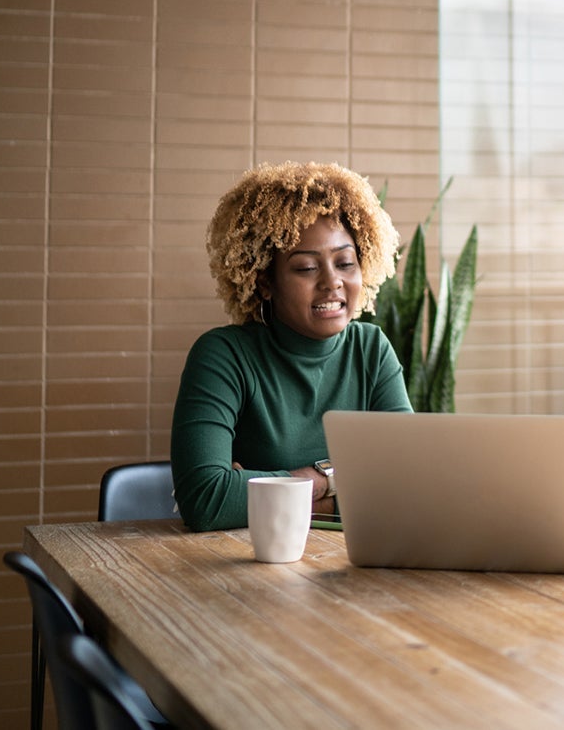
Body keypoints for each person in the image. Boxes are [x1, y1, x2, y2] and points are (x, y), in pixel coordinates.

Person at [170, 161, 412, 532]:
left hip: (352, 567)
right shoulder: (223, 356)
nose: (333, 282)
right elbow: (207, 500)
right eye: (306, 268)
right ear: (265, 281)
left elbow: (410, 484)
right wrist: (342, 484)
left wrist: (284, 487)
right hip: (251, 570)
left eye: (345, 262)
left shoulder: (372, 350)